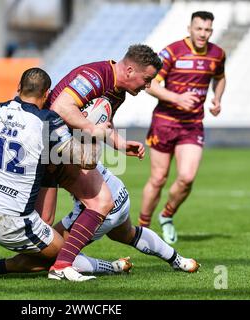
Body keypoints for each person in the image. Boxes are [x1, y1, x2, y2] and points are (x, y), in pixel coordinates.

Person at [0, 69, 128, 281]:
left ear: (18, 88)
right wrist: (94, 133)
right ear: (46, 94)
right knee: (64, 253)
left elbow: (2, 162)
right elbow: (88, 162)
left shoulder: (0, 110)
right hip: (14, 223)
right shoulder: (49, 121)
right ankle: (112, 267)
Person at [0, 156, 200, 278]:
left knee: (49, 253)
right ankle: (178, 260)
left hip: (97, 209)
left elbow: (19, 177)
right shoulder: (65, 133)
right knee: (128, 234)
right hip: (118, 192)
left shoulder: (46, 149)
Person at [40, 44, 163, 280]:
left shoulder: (118, 92)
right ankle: (62, 267)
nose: (147, 86)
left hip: (56, 149)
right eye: (146, 79)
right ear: (129, 70)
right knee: (101, 201)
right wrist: (89, 128)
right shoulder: (95, 76)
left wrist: (121, 144)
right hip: (50, 144)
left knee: (41, 224)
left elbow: (104, 123)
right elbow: (61, 106)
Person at [138, 11, 226, 244]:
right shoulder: (172, 52)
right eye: (199, 29)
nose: (203, 34)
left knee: (186, 177)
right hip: (165, 122)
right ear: (190, 28)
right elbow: (150, 85)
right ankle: (142, 230)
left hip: (192, 125)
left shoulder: (217, 54)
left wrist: (217, 99)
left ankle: (166, 215)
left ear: (211, 31)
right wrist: (176, 99)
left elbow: (220, 77)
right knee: (158, 178)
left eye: (207, 30)